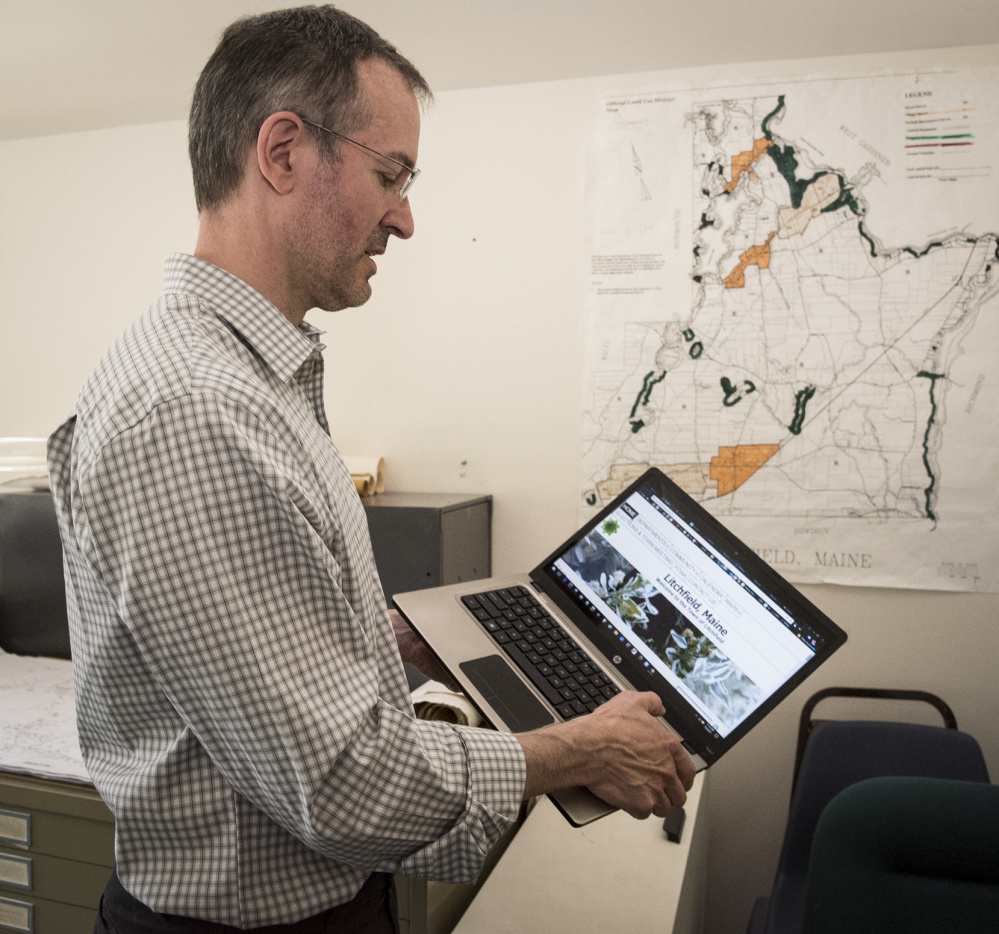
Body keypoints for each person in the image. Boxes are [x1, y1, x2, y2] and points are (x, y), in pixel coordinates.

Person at [47, 7, 694, 932]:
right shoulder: (194, 411)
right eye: (390, 175)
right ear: (281, 153)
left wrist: (387, 646)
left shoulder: (244, 379)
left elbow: (233, 667)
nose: (405, 217)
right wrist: (575, 750)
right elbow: (344, 785)